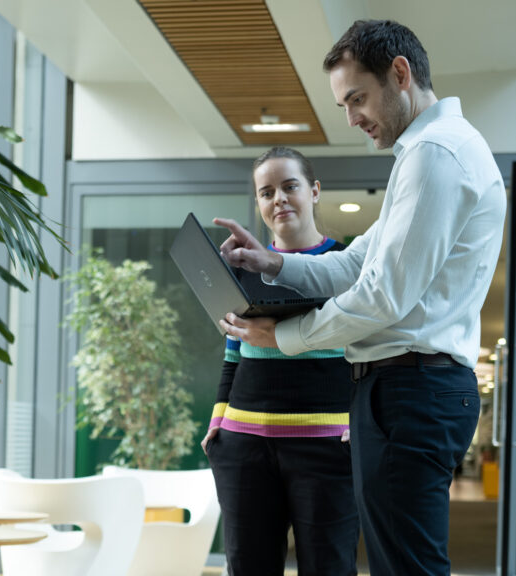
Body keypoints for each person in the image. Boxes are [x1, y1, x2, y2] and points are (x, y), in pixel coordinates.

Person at [213, 20, 506, 576]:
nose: (350, 119)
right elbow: (353, 263)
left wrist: (287, 337)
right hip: (403, 390)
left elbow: (382, 296)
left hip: (412, 390)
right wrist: (271, 262)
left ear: (400, 74)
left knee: (406, 567)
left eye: (357, 99)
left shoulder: (436, 155)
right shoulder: (422, 155)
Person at [202, 147, 359, 576]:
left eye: (290, 187)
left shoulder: (347, 267)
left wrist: (357, 424)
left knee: (329, 568)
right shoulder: (242, 268)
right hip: (243, 444)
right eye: (266, 192)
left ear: (314, 191)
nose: (279, 199)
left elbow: (366, 351)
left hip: (327, 445)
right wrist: (217, 422)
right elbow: (233, 352)